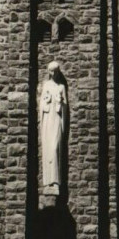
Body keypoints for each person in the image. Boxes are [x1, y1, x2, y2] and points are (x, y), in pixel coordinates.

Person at [39, 61, 67, 189]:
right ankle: (48, 180)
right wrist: (47, 101)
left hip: (57, 119)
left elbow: (65, 107)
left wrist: (60, 103)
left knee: (55, 147)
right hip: (47, 120)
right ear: (48, 72)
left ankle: (56, 180)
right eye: (51, 71)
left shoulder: (61, 87)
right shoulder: (46, 85)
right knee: (48, 149)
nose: (53, 73)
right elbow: (42, 106)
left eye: (56, 71)